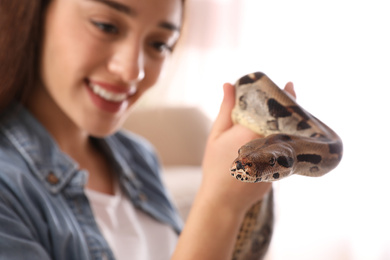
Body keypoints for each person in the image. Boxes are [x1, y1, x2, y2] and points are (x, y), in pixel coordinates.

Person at [0, 0, 295, 259]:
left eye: (159, 44)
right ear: (36, 12)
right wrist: (221, 205)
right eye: (106, 26)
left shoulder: (138, 157)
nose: (133, 71)